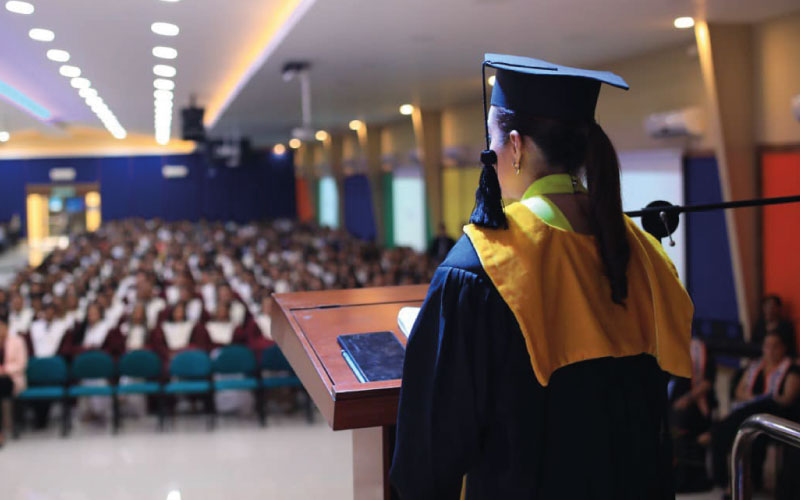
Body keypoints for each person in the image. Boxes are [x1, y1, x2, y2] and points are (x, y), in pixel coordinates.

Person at [390, 54, 693, 499]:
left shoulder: (482, 264)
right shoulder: (645, 254)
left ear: (515, 146)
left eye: (491, 139)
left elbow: (431, 453)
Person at [705, 330, 800, 497]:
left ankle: (749, 481)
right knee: (736, 424)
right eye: (767, 346)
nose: (770, 350)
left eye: (775, 346)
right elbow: (739, 391)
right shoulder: (755, 366)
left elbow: (787, 398)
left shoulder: (791, 369)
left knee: (756, 417)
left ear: (783, 348)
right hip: (750, 412)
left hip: (776, 413)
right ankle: (725, 480)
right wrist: (755, 398)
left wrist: (761, 398)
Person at [670, 338, 716, 492]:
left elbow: (707, 383)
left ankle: (685, 477)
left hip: (695, 406)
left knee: (679, 419)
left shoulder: (701, 350)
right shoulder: (669, 346)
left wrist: (687, 398)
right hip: (671, 403)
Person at [0, 320, 27, 447]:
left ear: (6, 327)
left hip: (13, 377)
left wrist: (4, 370)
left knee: (3, 383)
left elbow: (21, 364)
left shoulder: (17, 341)